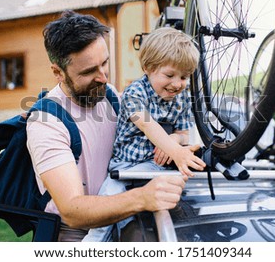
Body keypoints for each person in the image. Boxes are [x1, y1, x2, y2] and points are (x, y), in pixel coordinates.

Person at [26, 10, 187, 242]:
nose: (103, 76)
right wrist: (142, 198)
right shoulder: (47, 123)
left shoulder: (108, 94)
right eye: (90, 71)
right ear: (58, 72)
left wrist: (175, 141)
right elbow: (73, 211)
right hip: (76, 235)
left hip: (121, 221)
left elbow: (146, 126)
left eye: (105, 63)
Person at [83, 27, 206, 242]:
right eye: (169, 75)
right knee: (105, 214)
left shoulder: (183, 97)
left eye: (184, 77)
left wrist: (173, 141)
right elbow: (147, 125)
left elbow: (184, 133)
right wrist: (176, 151)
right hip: (124, 168)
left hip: (154, 168)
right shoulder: (135, 92)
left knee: (157, 216)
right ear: (148, 68)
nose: (177, 84)